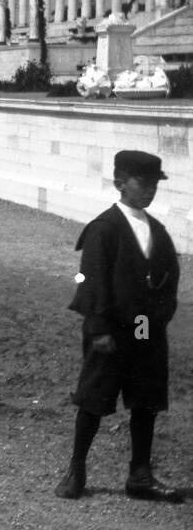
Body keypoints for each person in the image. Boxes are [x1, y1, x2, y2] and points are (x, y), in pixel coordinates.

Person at [54, 150, 182, 503]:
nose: (150, 190)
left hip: (147, 332)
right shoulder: (104, 229)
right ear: (120, 183)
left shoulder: (157, 230)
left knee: (145, 401)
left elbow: (169, 279)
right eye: (143, 183)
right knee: (94, 400)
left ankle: (140, 475)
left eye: (155, 183)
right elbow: (90, 278)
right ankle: (76, 469)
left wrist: (159, 317)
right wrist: (98, 328)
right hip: (111, 333)